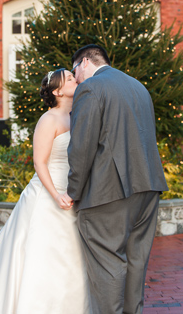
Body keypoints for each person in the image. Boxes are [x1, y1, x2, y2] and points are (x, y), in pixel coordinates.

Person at [0, 68, 90, 314]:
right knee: (39, 255)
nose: (76, 79)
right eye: (70, 78)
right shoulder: (49, 119)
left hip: (72, 193)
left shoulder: (77, 116)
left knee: (69, 258)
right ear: (58, 91)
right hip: (48, 196)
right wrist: (56, 195)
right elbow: (40, 162)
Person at [67, 44, 170, 314]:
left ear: (85, 63)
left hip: (108, 193)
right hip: (148, 188)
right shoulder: (138, 87)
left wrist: (74, 191)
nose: (75, 77)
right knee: (136, 262)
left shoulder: (90, 88)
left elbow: (82, 147)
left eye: (74, 70)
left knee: (109, 264)